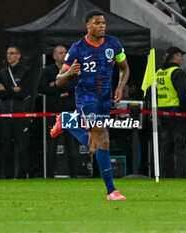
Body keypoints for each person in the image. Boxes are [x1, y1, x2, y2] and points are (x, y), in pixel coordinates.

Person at [51, 9, 130, 200]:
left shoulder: (113, 43)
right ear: (88, 25)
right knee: (102, 137)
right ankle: (111, 191)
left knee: (98, 144)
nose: (102, 26)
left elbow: (125, 68)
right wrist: (69, 73)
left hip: (105, 97)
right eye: (97, 23)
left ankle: (68, 122)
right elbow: (58, 79)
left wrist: (120, 87)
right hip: (87, 97)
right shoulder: (78, 48)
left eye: (103, 23)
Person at [38, 45, 79, 178]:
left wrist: (55, 84)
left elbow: (75, 86)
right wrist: (59, 86)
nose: (63, 55)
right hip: (53, 113)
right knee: (52, 145)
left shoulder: (73, 69)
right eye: (60, 53)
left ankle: (74, 175)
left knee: (72, 145)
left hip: (70, 112)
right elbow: (42, 88)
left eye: (65, 53)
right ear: (54, 56)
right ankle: (50, 175)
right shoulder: (47, 71)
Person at [0, 46, 34, 179]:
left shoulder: (25, 71)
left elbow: (24, 93)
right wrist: (12, 91)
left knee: (22, 147)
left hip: (20, 114)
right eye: (7, 54)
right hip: (6, 114)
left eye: (12, 53)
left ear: (19, 56)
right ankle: (8, 176)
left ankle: (23, 175)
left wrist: (6, 91)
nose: (9, 56)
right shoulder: (3, 72)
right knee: (6, 147)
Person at [156, 46, 186, 178]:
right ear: (175, 56)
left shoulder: (159, 73)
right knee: (181, 146)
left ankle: (165, 174)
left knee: (166, 146)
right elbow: (184, 94)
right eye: (180, 56)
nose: (182, 59)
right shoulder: (177, 72)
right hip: (177, 113)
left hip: (162, 114)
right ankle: (181, 174)